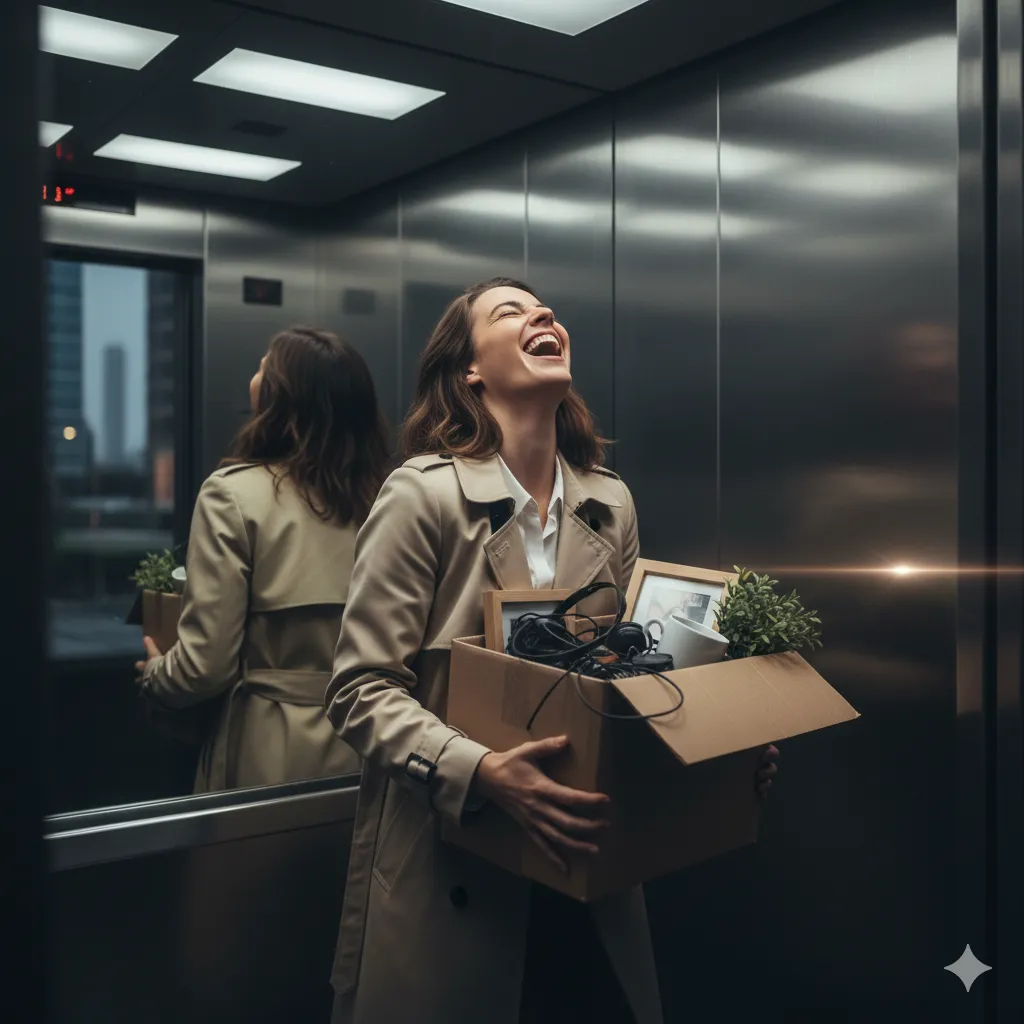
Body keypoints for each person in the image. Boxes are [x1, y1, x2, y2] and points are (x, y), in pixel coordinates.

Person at [324, 279, 779, 1024]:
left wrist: (724, 751)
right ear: (468, 370)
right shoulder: (421, 497)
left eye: (548, 311)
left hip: (587, 876)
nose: (544, 316)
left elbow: (636, 677)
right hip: (454, 871)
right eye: (511, 311)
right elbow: (360, 690)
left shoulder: (611, 503)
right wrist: (483, 772)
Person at [135, 327, 390, 793]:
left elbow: (204, 667)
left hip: (269, 753)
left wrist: (155, 674)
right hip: (375, 747)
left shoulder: (232, 495)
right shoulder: (390, 499)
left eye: (262, 367)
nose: (254, 377)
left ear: (281, 396)